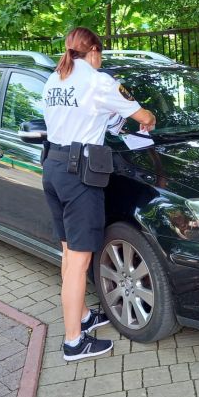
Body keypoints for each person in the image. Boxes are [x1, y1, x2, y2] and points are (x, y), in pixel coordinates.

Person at [42, 27, 156, 361]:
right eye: (101, 53)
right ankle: (74, 342)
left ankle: (81, 317)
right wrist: (149, 119)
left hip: (53, 167)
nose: (101, 59)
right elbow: (142, 116)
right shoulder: (98, 81)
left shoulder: (54, 80)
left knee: (68, 253)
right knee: (80, 261)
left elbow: (79, 118)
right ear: (93, 50)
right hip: (80, 174)